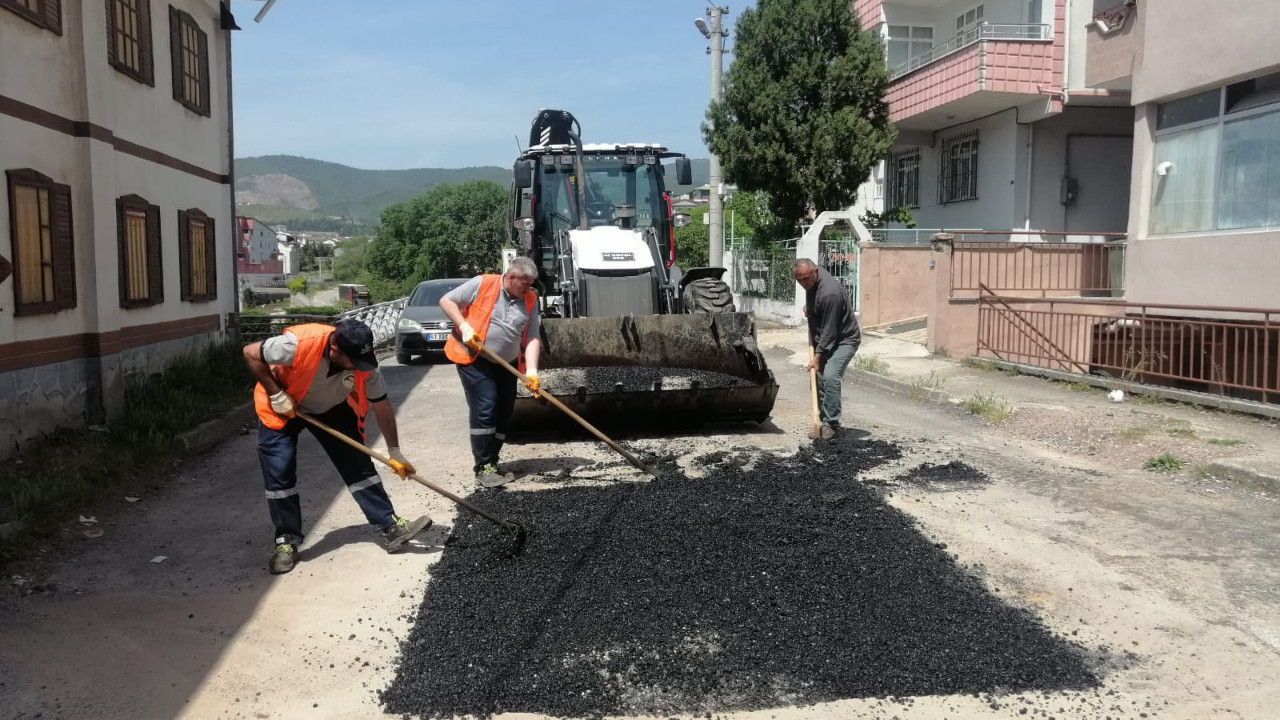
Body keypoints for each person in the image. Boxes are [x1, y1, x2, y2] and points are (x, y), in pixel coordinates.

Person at [243, 318, 430, 575]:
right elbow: (251, 352)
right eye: (351, 361)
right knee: (280, 472)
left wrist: (394, 450)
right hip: (282, 407)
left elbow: (382, 404)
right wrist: (276, 393)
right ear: (334, 349)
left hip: (330, 407)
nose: (358, 367)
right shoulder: (299, 344)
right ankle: (286, 541)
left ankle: (389, 525)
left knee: (357, 464)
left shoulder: (364, 361)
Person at [440, 257, 543, 489]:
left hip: (507, 362)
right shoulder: (483, 283)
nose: (528, 288)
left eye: (531, 284)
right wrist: (465, 327)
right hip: (474, 357)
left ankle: (493, 461)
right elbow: (447, 301)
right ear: (510, 277)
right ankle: (483, 466)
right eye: (524, 283)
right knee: (486, 406)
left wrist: (533, 372)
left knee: (505, 410)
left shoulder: (530, 299)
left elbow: (533, 336)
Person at [793, 258, 861, 439]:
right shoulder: (812, 281)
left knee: (830, 376)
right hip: (826, 337)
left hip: (845, 340)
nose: (803, 283)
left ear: (815, 272)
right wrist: (812, 308)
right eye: (799, 280)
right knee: (818, 378)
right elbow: (817, 302)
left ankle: (831, 424)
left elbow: (830, 332)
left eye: (806, 279)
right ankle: (822, 423)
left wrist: (817, 356)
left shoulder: (830, 293)